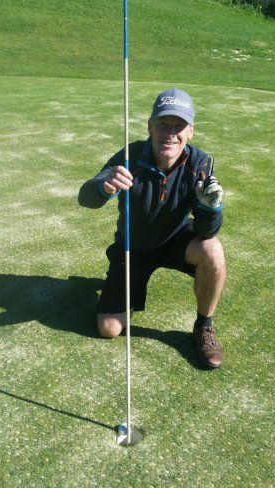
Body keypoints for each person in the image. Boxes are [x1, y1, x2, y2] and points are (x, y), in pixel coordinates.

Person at [78, 88, 226, 368]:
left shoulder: (200, 162)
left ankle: (204, 326)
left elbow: (207, 231)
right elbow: (85, 198)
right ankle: (126, 292)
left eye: (178, 126)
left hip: (177, 241)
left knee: (213, 250)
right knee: (109, 328)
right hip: (133, 248)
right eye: (163, 124)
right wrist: (104, 187)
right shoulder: (129, 156)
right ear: (150, 125)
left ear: (190, 131)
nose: (170, 133)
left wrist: (211, 209)